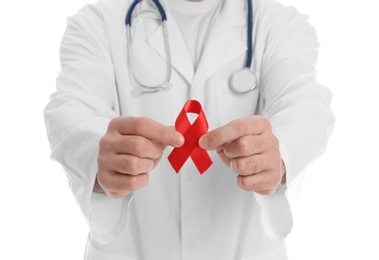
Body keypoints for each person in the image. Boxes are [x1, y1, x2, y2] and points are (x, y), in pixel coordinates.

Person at [44, 0, 335, 259]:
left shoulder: (280, 23)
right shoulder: (97, 23)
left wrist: (279, 153)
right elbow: (70, 110)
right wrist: (99, 151)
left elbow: (306, 105)